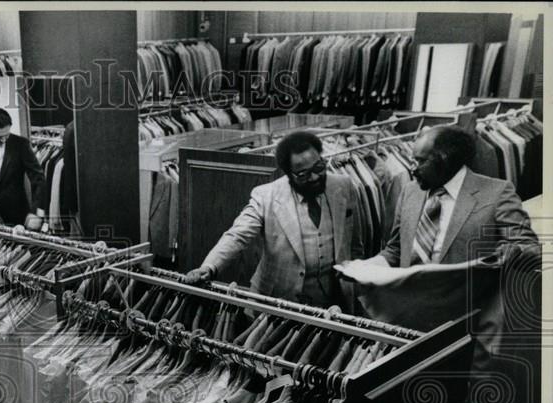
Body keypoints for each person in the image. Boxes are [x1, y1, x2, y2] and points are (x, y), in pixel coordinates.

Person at [357, 125, 540, 364]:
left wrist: (492, 260)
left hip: (463, 327)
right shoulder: (410, 192)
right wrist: (366, 267)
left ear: (445, 160)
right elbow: (395, 249)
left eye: (420, 161)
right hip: (405, 320)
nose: (412, 169)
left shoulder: (496, 193)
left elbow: (528, 247)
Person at [182, 130, 366, 310]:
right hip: (274, 303)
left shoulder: (343, 186)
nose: (315, 177)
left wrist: (354, 287)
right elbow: (237, 235)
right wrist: (209, 267)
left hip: (332, 305)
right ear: (289, 173)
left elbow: (355, 244)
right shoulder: (266, 195)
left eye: (319, 167)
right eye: (304, 174)